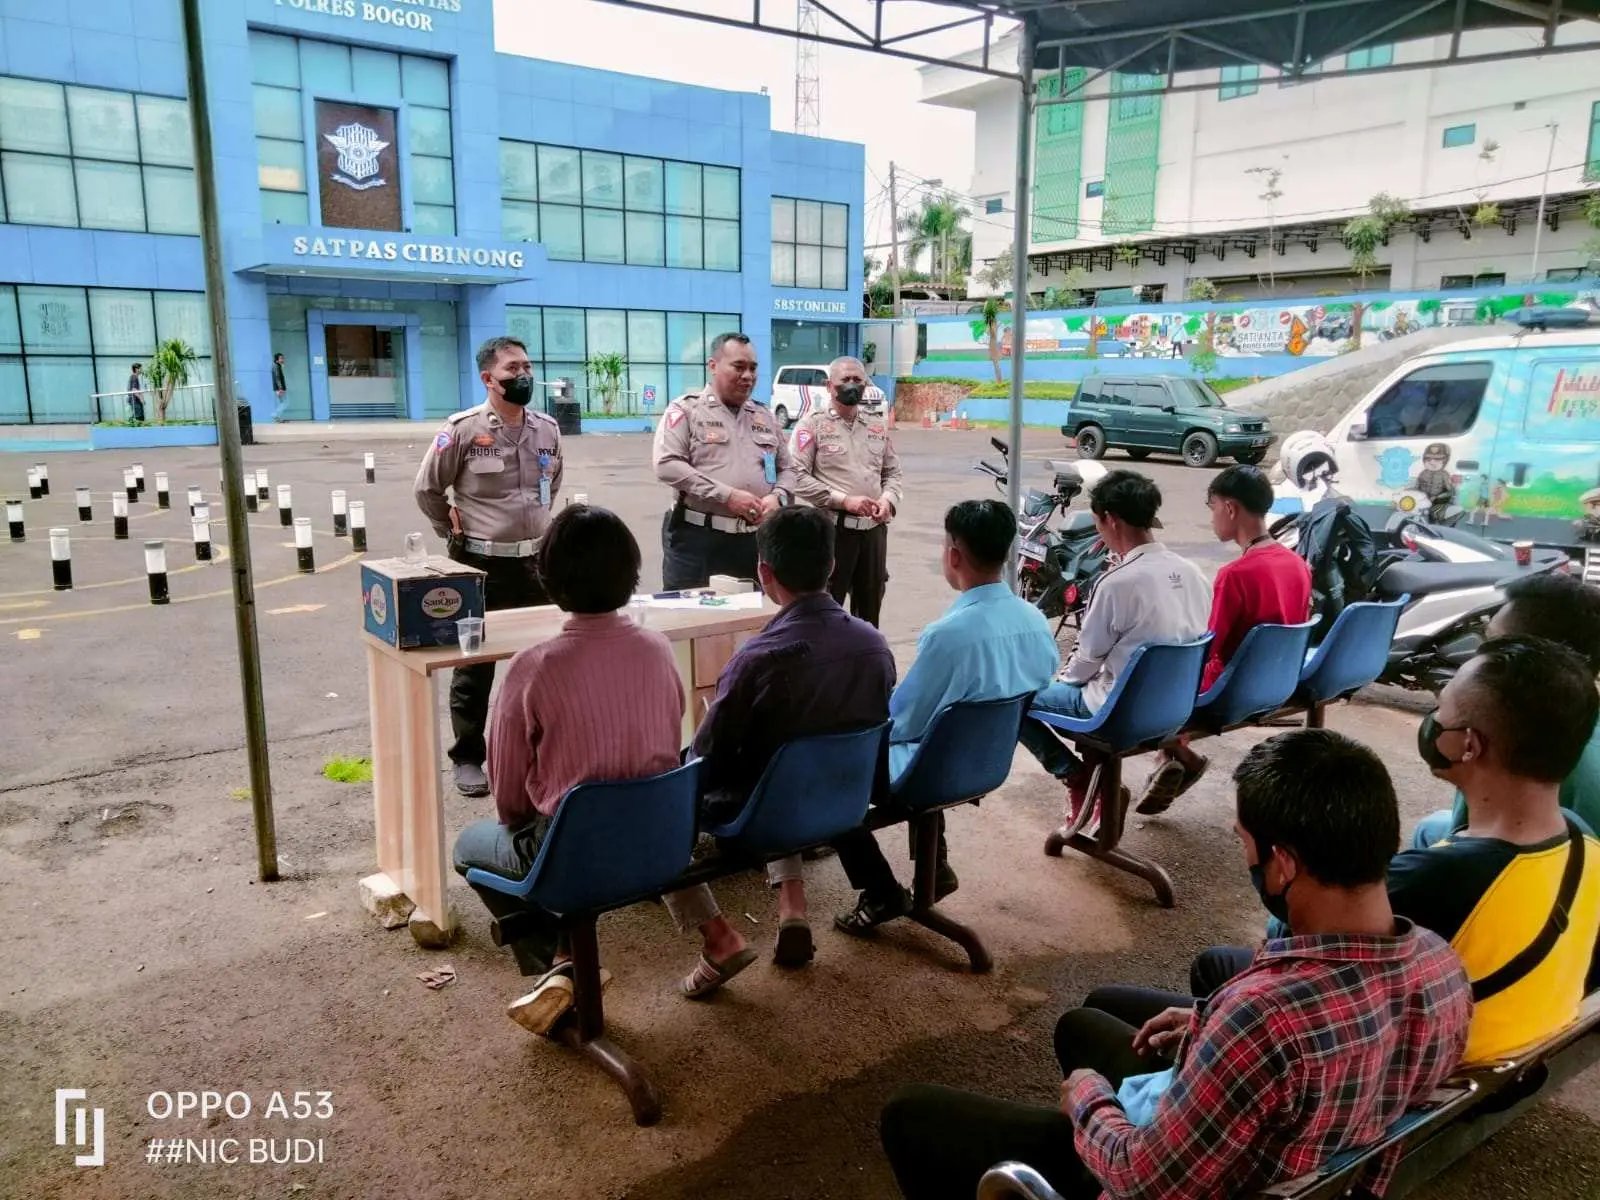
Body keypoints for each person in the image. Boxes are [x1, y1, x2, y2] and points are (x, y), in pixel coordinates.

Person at [878, 729, 1473, 1200]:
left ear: (1284, 864)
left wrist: (1088, 1099)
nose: (1245, 855)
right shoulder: (1441, 967)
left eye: (1244, 842)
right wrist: (1206, 1023)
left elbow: (1141, 1179)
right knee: (1083, 1022)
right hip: (1304, 1158)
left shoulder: (1263, 1020)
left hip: (1183, 1179)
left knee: (913, 1114)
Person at [1201, 637, 1600, 1064]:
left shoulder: (1432, 880)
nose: (1433, 721)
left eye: (1441, 710)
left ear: (1469, 745)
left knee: (1215, 968)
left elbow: (1296, 943)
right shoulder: (1584, 840)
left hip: (1416, 1073)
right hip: (1514, 1055)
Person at [453, 506, 745, 1033]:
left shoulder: (532, 667)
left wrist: (524, 823)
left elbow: (509, 794)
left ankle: (561, 969)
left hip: (576, 851)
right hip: (662, 839)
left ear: (548, 577)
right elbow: (665, 741)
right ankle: (569, 958)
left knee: (469, 847)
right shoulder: (658, 649)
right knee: (609, 809)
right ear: (631, 575)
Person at [831, 500, 1058, 933]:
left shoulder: (948, 636)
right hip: (989, 762)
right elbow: (1041, 680)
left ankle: (881, 890)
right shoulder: (1034, 620)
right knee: (936, 737)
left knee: (835, 769)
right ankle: (934, 866)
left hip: (940, 768)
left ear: (953, 554)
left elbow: (903, 722)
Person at [690, 507, 895, 971]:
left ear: (764, 573)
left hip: (766, 820)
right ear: (832, 565)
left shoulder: (756, 659)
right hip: (845, 801)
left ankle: (730, 929)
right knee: (786, 754)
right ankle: (792, 906)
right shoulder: (874, 645)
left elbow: (708, 760)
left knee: (720, 770)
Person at [414, 335, 563, 798]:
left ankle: (537, 750)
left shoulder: (547, 429)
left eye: (527, 367)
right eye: (512, 369)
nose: (524, 375)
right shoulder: (462, 430)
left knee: (544, 661)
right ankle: (467, 757)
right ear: (488, 379)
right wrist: (451, 529)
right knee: (474, 665)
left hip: (536, 562)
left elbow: (552, 483)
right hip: (480, 564)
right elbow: (427, 489)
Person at [1019, 470, 1210, 820]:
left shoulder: (1116, 583)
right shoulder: (1194, 574)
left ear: (1109, 519)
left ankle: (1074, 776)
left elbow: (1085, 662)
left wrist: (1062, 681)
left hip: (1119, 713)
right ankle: (1096, 785)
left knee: (1012, 697)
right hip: (1175, 709)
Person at [1137, 464, 1311, 814]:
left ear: (1230, 508)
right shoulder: (1298, 564)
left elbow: (1208, 648)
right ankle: (1173, 755)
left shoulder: (1235, 575)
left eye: (1212, 506)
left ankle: (1174, 754)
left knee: (1146, 686)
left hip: (1233, 691)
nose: (1212, 516)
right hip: (1280, 681)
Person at [1413, 572, 1600, 847]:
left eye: (1493, 645)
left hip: (1533, 863)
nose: (1479, 656)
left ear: (1525, 665)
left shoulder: (1510, 740)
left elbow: (1471, 850)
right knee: (1430, 827)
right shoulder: (1580, 717)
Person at [653, 332, 797, 588]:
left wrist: (777, 497)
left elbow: (787, 469)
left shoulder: (764, 415)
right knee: (690, 611)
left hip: (754, 541)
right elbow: (667, 465)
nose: (748, 375)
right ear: (713, 366)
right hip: (697, 540)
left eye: (753, 368)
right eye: (739, 367)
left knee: (752, 611)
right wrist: (727, 496)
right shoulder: (687, 410)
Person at [788, 356, 903, 627]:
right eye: (845, 380)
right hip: (833, 532)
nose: (852, 384)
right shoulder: (812, 425)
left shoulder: (876, 425)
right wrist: (844, 501)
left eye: (858, 380)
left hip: (873, 532)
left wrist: (888, 500)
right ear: (830, 386)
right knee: (826, 612)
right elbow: (796, 476)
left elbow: (893, 472)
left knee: (870, 612)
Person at [272, 352, 288, 421]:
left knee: (282, 403)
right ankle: (275, 415)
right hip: (279, 388)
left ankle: (277, 418)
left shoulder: (278, 366)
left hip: (278, 388)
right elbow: (277, 377)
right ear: (277, 360)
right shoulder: (276, 366)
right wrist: (280, 388)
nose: (283, 360)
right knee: (285, 403)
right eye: (281, 358)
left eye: (283, 358)